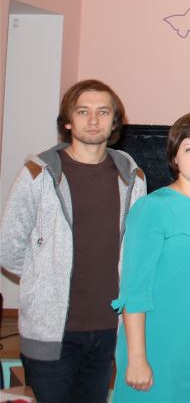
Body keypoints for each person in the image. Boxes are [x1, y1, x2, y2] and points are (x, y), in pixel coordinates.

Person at [0, 80, 145, 403]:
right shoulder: (37, 174)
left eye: (103, 112)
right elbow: (9, 249)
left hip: (108, 330)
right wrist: (43, 278)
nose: (93, 120)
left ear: (115, 122)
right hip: (51, 333)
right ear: (67, 121)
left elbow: (135, 249)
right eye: (83, 111)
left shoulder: (132, 176)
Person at [111, 112, 190, 401]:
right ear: (175, 156)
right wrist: (137, 358)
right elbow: (134, 289)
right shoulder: (152, 208)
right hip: (156, 345)